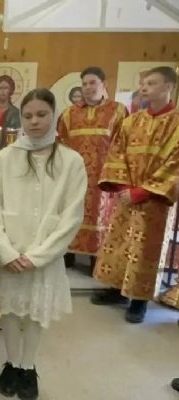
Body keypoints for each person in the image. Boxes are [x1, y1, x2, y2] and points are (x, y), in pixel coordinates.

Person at [0, 88, 86, 400]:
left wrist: (38, 256)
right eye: (28, 116)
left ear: (54, 115)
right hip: (10, 251)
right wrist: (7, 252)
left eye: (41, 114)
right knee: (10, 310)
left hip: (45, 254)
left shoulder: (71, 161)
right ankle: (12, 363)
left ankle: (28, 366)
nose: (34, 121)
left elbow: (72, 216)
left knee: (37, 311)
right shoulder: (5, 157)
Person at [92, 66, 179, 323]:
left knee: (146, 249)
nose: (144, 88)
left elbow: (175, 163)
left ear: (169, 87)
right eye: (143, 83)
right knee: (120, 242)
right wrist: (123, 188)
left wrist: (142, 191)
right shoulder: (132, 121)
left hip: (156, 199)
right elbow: (116, 153)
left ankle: (139, 300)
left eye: (151, 83)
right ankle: (116, 290)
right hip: (126, 194)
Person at [57, 67, 128, 270]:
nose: (88, 87)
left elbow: (123, 145)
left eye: (92, 83)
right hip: (75, 175)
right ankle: (68, 254)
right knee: (71, 212)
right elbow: (61, 145)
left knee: (100, 215)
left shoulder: (118, 111)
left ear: (104, 84)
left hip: (103, 177)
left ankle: (96, 260)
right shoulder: (69, 113)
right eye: (84, 84)